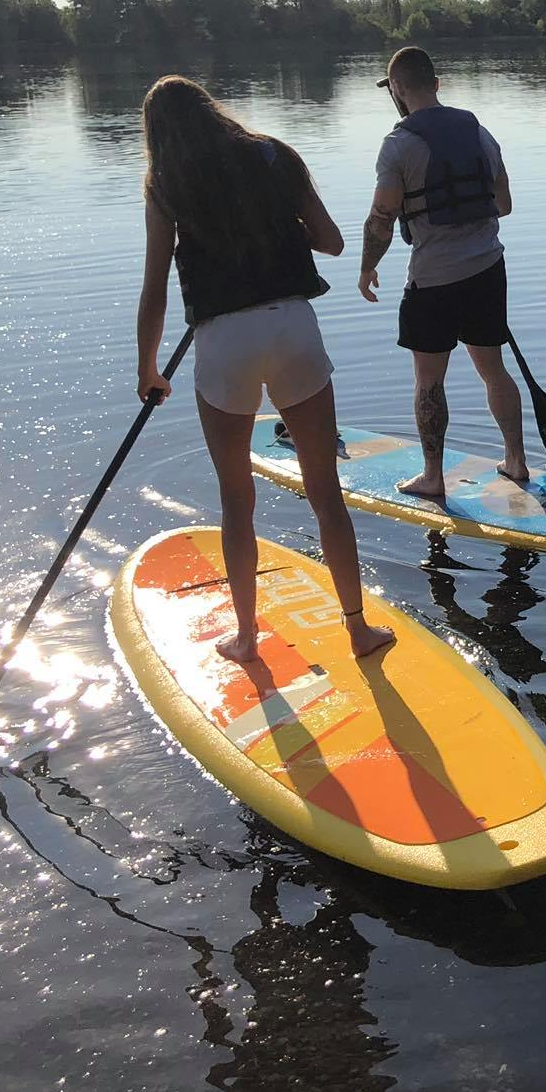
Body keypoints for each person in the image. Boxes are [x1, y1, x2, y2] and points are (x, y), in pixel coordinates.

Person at [134, 75, 394, 661]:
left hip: (224, 340)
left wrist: (149, 368)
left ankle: (247, 637)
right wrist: (279, 226)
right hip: (292, 328)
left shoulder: (166, 185)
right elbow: (331, 242)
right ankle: (358, 630)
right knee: (325, 492)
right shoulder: (276, 154)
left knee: (236, 499)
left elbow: (154, 287)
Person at [357, 46, 525, 495]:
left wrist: (367, 266)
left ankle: (433, 477)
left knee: (428, 380)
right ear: (437, 83)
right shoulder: (479, 132)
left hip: (432, 279)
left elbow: (381, 218)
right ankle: (516, 461)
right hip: (488, 268)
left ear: (396, 88)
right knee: (494, 369)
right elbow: (504, 204)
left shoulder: (398, 145)